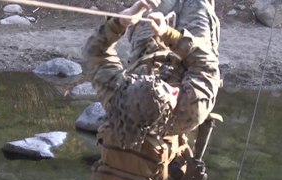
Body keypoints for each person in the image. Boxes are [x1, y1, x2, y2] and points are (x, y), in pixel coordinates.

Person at [83, 0, 221, 150]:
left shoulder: (117, 96)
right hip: (187, 57)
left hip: (146, 49)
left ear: (130, 84)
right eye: (168, 89)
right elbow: (206, 63)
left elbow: (94, 52)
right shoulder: (191, 110)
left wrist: (121, 21)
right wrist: (168, 34)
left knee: (150, 6)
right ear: (173, 104)